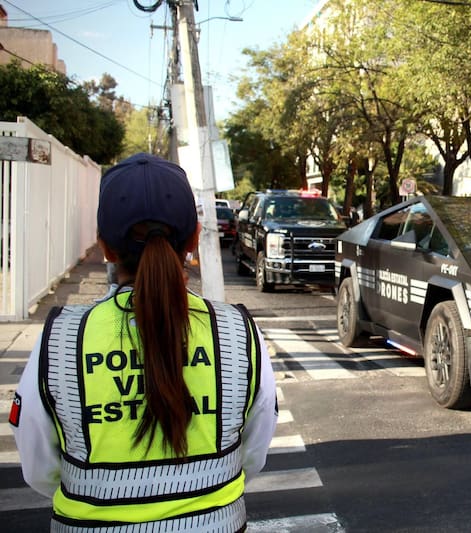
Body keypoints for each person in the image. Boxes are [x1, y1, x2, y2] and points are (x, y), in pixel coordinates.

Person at [10, 153, 278, 531]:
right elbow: (253, 453)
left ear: (104, 246)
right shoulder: (237, 333)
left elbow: (39, 467)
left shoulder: (61, 338)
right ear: (195, 239)